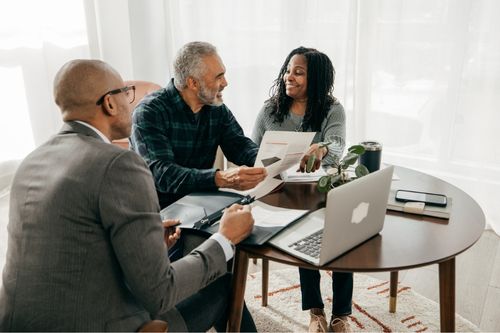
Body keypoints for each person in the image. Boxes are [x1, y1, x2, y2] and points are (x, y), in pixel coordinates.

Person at [0, 59, 257, 332]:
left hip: (16, 323)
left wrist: (145, 240)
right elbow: (160, 293)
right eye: (126, 92)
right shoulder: (118, 164)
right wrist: (225, 239)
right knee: (225, 285)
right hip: (94, 325)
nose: (130, 100)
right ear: (110, 103)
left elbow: (74, 244)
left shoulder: (31, 161)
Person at [252, 47, 352, 333]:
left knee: (343, 233)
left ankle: (341, 315)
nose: (289, 77)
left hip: (321, 191)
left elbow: (336, 147)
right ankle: (315, 311)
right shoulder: (270, 110)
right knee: (302, 228)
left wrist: (322, 147)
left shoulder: (333, 110)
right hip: (279, 191)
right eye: (288, 70)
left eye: (298, 72)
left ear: (316, 79)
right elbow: (250, 148)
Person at [130, 41, 267, 209]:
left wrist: (271, 160)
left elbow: (240, 146)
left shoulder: (217, 109)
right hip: (158, 212)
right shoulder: (149, 112)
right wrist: (220, 178)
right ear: (193, 83)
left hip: (199, 204)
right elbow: (163, 175)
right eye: (219, 77)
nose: (225, 83)